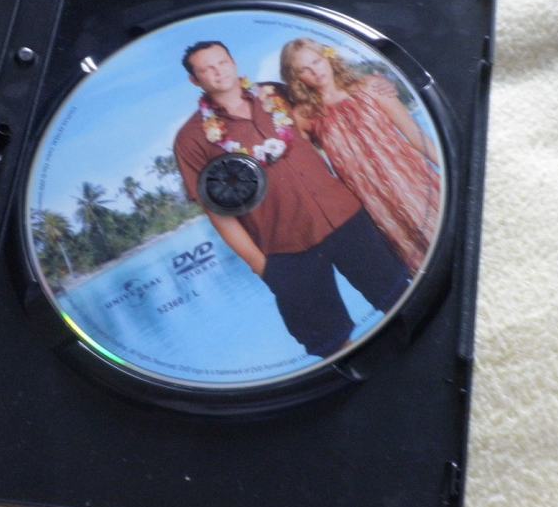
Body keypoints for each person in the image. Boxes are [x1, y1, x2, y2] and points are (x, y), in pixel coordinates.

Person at [173, 41, 409, 358]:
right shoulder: (191, 139)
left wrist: (376, 82)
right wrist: (262, 267)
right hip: (285, 250)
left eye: (222, 62)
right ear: (195, 80)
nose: (219, 72)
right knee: (331, 345)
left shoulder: (276, 93)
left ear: (233, 62)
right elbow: (219, 214)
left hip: (346, 218)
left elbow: (329, 97)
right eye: (207, 69)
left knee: (400, 301)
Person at [279, 38, 441, 273]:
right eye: (304, 69)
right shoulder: (305, 116)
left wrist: (453, 173)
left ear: (328, 57)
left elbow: (415, 135)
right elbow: (310, 169)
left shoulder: (372, 87)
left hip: (411, 180)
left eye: (317, 61)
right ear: (296, 78)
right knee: (419, 264)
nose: (315, 71)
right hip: (372, 201)